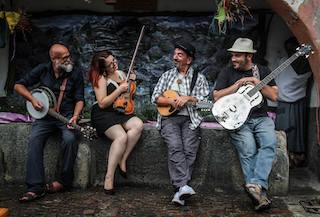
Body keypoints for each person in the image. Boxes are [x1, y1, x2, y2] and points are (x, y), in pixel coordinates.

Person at [213, 38, 278, 211]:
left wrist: (258, 83)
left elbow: (274, 96)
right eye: (232, 55)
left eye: (237, 55)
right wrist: (236, 85)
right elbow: (217, 96)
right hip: (238, 120)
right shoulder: (227, 73)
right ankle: (260, 195)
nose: (233, 58)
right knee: (248, 150)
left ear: (248, 56)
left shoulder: (263, 71)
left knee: (269, 144)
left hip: (261, 117)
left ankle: (256, 186)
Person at [14, 43, 85, 202]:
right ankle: (35, 187)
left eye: (68, 55)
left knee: (70, 139)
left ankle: (64, 181)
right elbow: (18, 85)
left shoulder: (75, 73)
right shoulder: (42, 70)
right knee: (34, 140)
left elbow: (80, 99)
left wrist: (75, 115)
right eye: (65, 58)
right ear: (54, 59)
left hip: (65, 117)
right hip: (44, 118)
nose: (69, 60)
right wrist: (32, 99)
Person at [151, 40, 209, 206]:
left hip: (191, 119)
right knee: (175, 146)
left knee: (190, 150)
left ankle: (179, 191)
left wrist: (189, 99)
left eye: (179, 55)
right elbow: (155, 98)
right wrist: (172, 100)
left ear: (188, 60)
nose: (174, 57)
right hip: (169, 118)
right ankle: (183, 186)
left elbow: (207, 107)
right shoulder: (167, 75)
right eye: (175, 54)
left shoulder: (199, 78)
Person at [88, 50, 143, 195]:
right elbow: (102, 103)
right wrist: (119, 89)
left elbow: (128, 95)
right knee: (121, 137)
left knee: (138, 125)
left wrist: (132, 81)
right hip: (103, 115)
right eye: (110, 64)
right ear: (103, 68)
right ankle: (109, 177)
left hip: (119, 111)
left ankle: (122, 158)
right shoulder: (100, 78)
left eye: (114, 60)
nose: (114, 64)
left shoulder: (121, 74)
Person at [275, 37, 312, 168]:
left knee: (286, 130)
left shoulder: (284, 61)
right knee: (291, 131)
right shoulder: (305, 64)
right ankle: (291, 155)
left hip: (282, 101)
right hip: (296, 101)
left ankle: (289, 156)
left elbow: (281, 81)